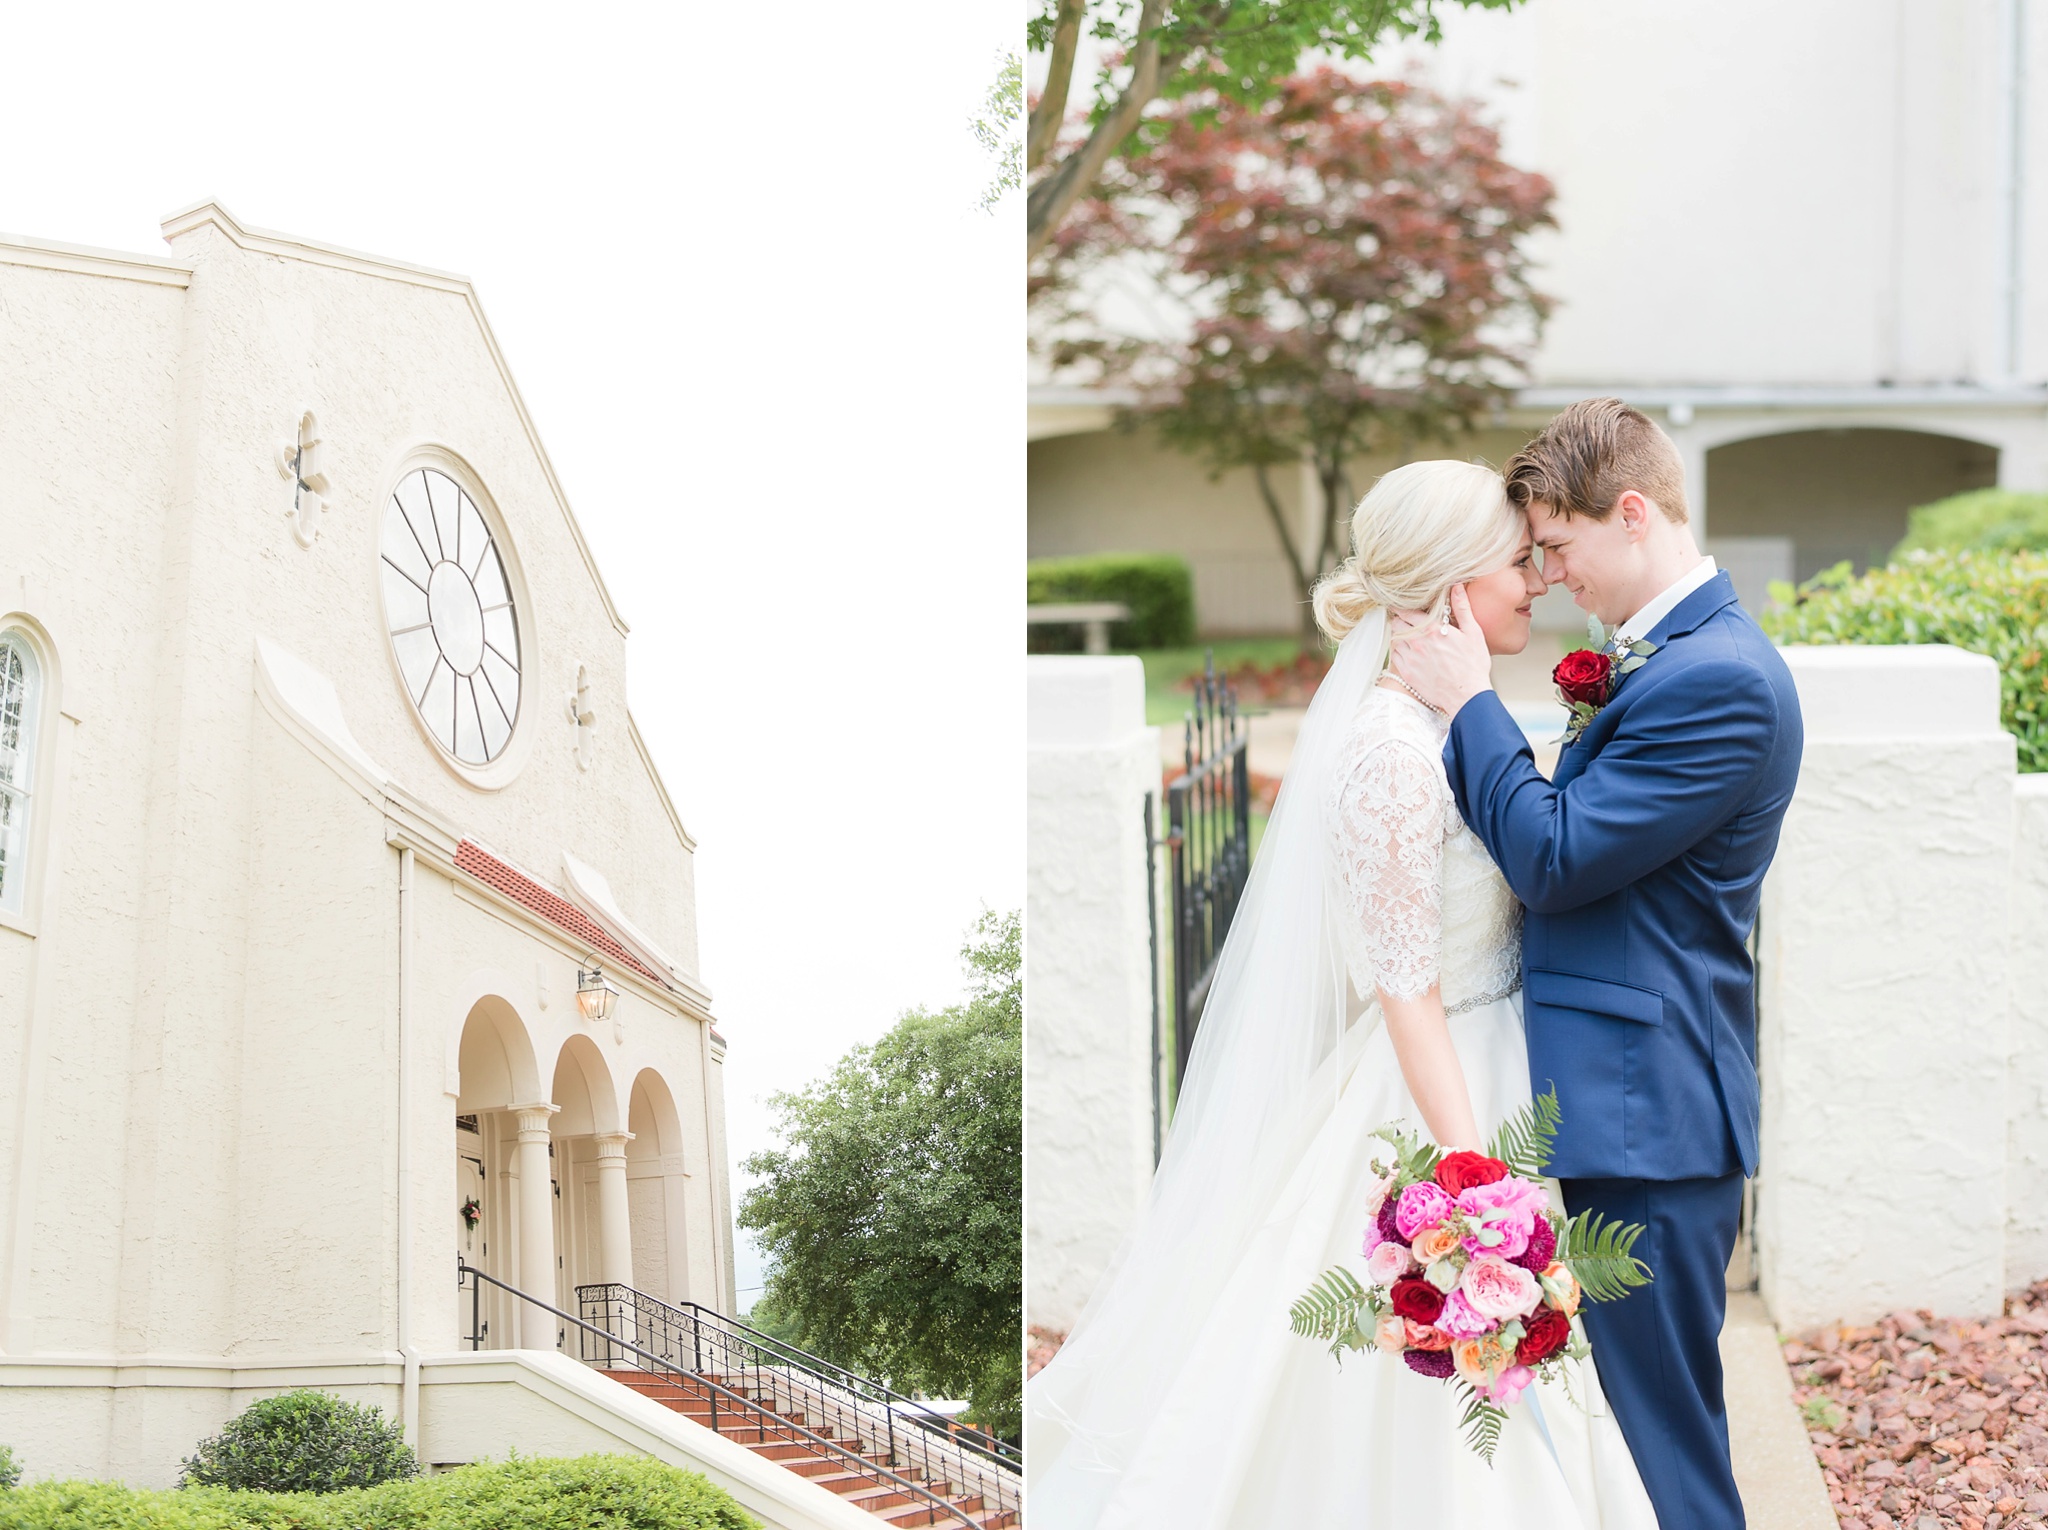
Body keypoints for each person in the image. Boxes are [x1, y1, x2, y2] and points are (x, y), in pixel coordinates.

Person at [1026, 458, 1658, 1528]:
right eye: (1517, 563)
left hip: (1504, 1055)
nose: (1536, 581)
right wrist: (1470, 1182)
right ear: (1454, 586)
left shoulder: (1449, 723)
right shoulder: (1386, 755)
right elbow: (1403, 988)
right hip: (1439, 1087)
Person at [1391, 398, 1804, 1530]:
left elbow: (1555, 858)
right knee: (1608, 1451)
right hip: (1611, 1105)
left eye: (1559, 547)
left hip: (1649, 1122)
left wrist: (1471, 703)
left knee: (1659, 1452)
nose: (1553, 575)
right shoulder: (1663, 659)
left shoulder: (1716, 679)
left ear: (1630, 514)